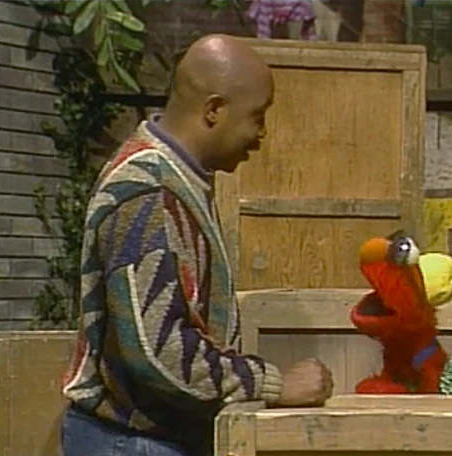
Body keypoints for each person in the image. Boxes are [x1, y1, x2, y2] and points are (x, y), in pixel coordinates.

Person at [60, 34, 334, 456]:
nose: (261, 134)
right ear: (214, 110)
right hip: (135, 443)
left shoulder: (175, 181)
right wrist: (271, 384)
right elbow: (158, 352)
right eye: (257, 116)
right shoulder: (147, 193)